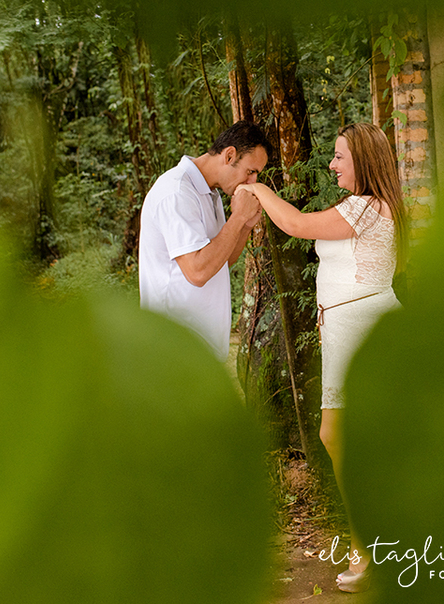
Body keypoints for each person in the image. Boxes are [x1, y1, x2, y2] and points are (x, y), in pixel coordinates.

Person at [239, 122, 408, 593]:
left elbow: (294, 224)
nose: (332, 164)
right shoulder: (363, 208)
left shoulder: (368, 208)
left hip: (365, 330)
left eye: (339, 157)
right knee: (341, 437)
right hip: (344, 329)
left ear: (364, 163)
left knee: (346, 437)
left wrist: (258, 188)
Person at [138, 121, 271, 361]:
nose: (252, 182)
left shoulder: (211, 194)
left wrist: (244, 226)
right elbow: (198, 271)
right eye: (250, 171)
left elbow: (220, 262)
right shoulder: (177, 192)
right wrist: (238, 216)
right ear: (229, 155)